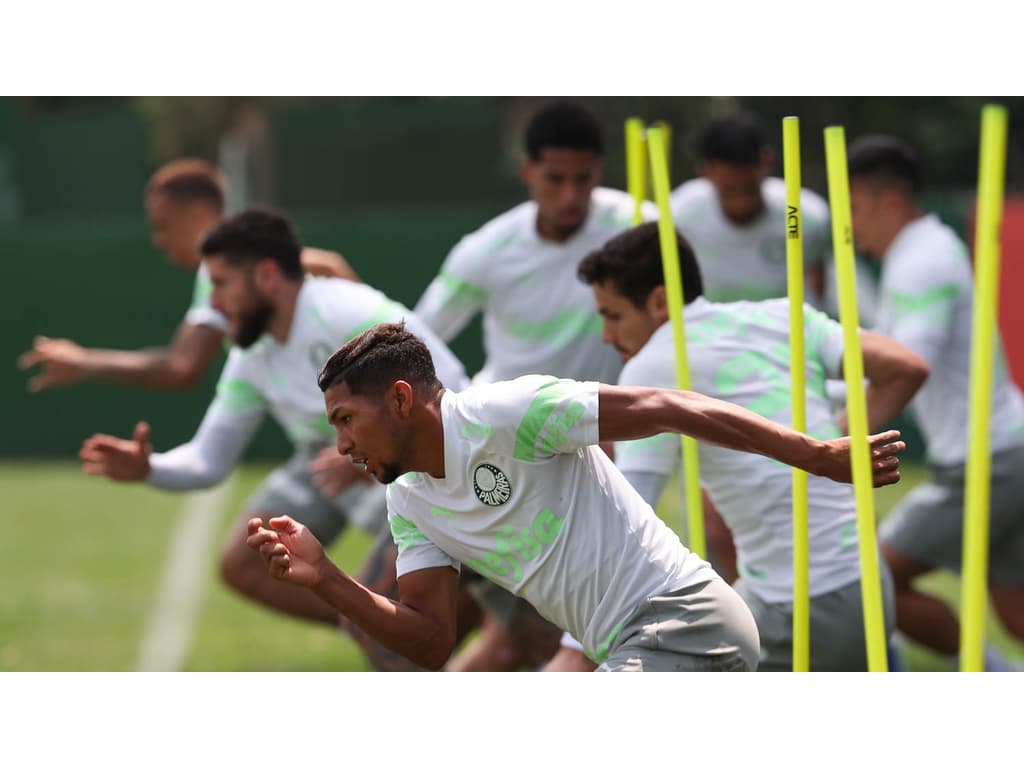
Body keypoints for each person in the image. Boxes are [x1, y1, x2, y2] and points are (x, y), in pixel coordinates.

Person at [246, 321, 907, 672]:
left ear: (397, 399)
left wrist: (816, 455)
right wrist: (326, 579)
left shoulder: (510, 412)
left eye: (345, 421)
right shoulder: (409, 501)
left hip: (685, 621)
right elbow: (429, 643)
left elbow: (664, 404)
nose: (341, 446)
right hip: (632, 649)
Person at [77, 208, 471, 671]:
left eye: (220, 285)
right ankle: (381, 616)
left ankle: (406, 619)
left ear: (266, 275)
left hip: (410, 466)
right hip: (325, 462)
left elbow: (453, 387)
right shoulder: (252, 353)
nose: (214, 305)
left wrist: (376, 444)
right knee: (244, 562)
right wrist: (150, 469)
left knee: (409, 643)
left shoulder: (347, 309)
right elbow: (208, 459)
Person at [554, 221, 927, 671]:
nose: (606, 337)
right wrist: (824, 446)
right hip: (866, 583)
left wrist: (574, 647)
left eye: (613, 316)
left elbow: (628, 517)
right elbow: (905, 367)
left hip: (801, 605)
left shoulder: (654, 364)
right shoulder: (782, 316)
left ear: (657, 301)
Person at [414, 99, 657, 670]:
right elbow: (418, 340)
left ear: (601, 171)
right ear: (527, 173)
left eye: (584, 180)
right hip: (493, 453)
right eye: (555, 179)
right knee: (392, 615)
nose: (571, 195)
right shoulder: (487, 250)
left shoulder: (638, 227)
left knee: (549, 640)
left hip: (594, 462)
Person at [848, 134, 1024, 670]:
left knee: (868, 579)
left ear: (891, 202)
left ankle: (992, 678)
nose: (851, 227)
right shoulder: (921, 250)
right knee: (1016, 613)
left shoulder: (920, 261)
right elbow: (885, 362)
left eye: (854, 209)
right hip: (1003, 450)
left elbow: (908, 367)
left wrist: (838, 434)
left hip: (983, 462)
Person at [17, 158, 358, 393]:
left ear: (197, 216)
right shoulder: (218, 271)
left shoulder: (243, 258)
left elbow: (181, 368)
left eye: (163, 226)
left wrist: (373, 355)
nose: (158, 240)